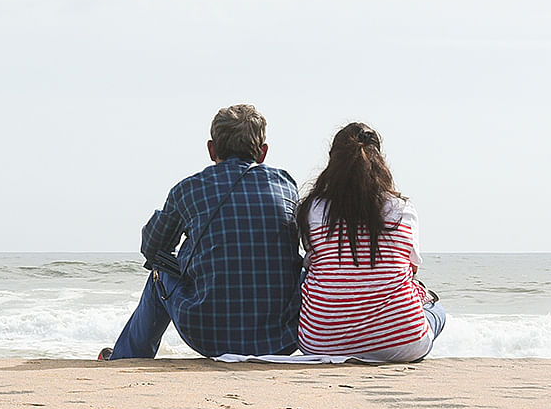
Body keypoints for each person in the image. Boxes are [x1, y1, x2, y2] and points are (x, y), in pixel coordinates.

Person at [102, 105, 302, 360]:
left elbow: (152, 249)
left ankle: (126, 358)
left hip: (208, 335)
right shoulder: (286, 185)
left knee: (159, 276)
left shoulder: (189, 190)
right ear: (263, 153)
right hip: (279, 338)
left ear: (211, 149)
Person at [296, 122, 445, 362]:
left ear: (332, 162)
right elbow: (412, 267)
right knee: (436, 308)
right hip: (404, 344)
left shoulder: (312, 209)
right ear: (380, 161)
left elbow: (313, 261)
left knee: (305, 277)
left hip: (320, 344)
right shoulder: (402, 209)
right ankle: (391, 331)